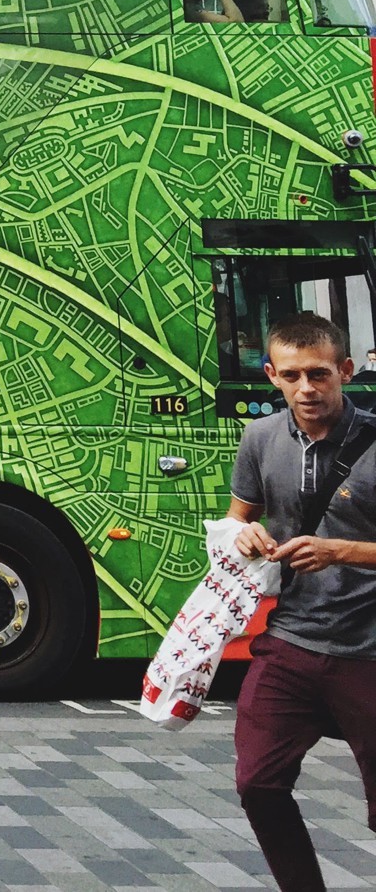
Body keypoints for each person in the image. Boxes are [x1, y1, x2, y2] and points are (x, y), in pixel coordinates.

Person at [229, 311, 376, 890]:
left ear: (345, 370)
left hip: (369, 652)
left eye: (319, 374)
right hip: (291, 641)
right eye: (291, 376)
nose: (306, 389)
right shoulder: (259, 438)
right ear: (271, 375)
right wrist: (242, 535)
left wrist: (341, 551)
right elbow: (236, 520)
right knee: (257, 784)